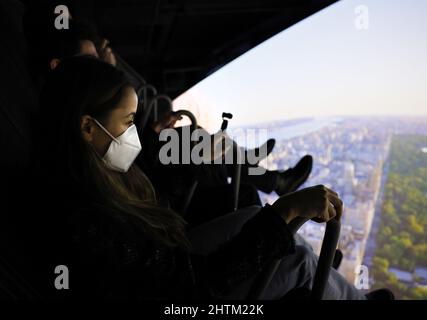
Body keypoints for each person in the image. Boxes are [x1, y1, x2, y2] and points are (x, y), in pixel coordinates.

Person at [27, 56, 386, 300]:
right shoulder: (87, 219)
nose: (134, 132)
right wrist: (286, 213)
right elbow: (197, 285)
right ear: (88, 127)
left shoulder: (91, 175)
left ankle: (273, 186)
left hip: (172, 250)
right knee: (299, 260)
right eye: (128, 122)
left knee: (261, 218)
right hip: (185, 278)